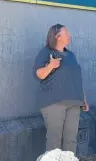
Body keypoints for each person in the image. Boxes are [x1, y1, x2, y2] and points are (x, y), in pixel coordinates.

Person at [34, 24, 89, 154]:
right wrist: (50, 66)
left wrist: (83, 98)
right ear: (58, 36)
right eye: (67, 33)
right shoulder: (46, 53)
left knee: (71, 141)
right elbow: (38, 74)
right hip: (53, 102)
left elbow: (76, 78)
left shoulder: (71, 55)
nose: (70, 35)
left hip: (74, 102)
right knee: (54, 141)